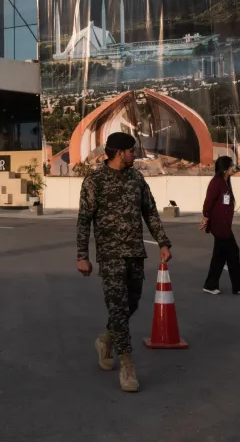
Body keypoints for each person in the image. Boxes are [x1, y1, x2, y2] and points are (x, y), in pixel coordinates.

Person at [76, 132, 172, 393]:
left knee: (132, 303)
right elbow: (84, 220)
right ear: (120, 153)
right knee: (118, 308)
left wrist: (163, 242)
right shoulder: (94, 181)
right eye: (131, 151)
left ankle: (106, 340)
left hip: (135, 253)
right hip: (110, 256)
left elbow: (150, 212)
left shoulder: (136, 179)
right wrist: (82, 255)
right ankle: (127, 364)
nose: (134, 154)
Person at [200, 155, 240, 296]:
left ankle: (210, 285)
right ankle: (238, 285)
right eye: (231, 165)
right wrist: (206, 217)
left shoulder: (225, 182)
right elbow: (208, 201)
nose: (233, 168)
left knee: (219, 256)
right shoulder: (217, 182)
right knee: (233, 253)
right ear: (225, 169)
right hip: (220, 226)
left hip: (224, 225)